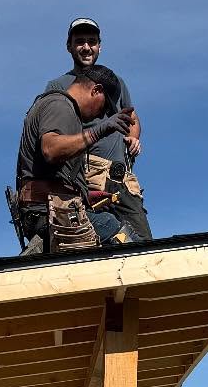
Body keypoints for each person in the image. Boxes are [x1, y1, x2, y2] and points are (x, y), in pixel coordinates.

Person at [43, 17, 152, 241]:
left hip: (121, 179)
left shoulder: (116, 81)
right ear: (69, 47)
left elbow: (131, 116)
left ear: (99, 46)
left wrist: (133, 138)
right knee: (95, 242)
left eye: (91, 42)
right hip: (86, 176)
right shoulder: (58, 86)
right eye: (80, 41)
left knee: (143, 246)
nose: (86, 47)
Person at [14, 64, 134, 251]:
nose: (101, 115)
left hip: (47, 212)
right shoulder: (60, 105)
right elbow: (51, 149)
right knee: (126, 239)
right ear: (96, 90)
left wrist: (85, 195)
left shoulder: (59, 106)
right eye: (104, 108)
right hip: (48, 215)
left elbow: (50, 174)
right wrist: (100, 131)